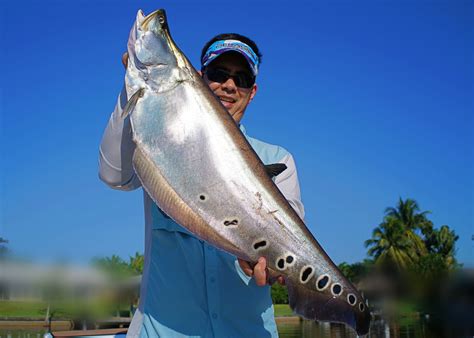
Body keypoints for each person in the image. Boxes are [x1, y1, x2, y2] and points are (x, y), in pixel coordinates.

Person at [99, 33, 305, 338]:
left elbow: (292, 243)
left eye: (242, 78)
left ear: (253, 91)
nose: (230, 85)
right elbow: (114, 175)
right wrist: (135, 85)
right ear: (198, 77)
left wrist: (275, 266)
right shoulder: (161, 141)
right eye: (218, 74)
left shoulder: (279, 160)